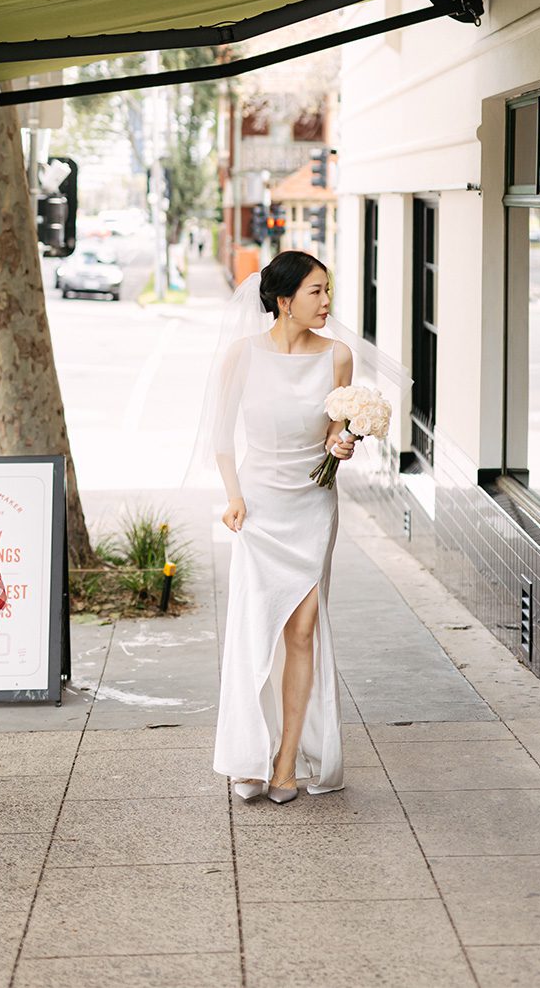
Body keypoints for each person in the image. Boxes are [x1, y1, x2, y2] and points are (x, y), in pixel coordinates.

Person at [190, 250, 410, 805]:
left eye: (328, 290)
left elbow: (335, 438)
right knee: (253, 631)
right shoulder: (242, 356)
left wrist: (344, 444)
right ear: (283, 301)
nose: (327, 301)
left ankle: (287, 762)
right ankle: (248, 756)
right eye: (316, 292)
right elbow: (220, 437)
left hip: (312, 505)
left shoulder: (338, 357)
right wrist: (234, 497)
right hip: (260, 508)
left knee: (303, 631)